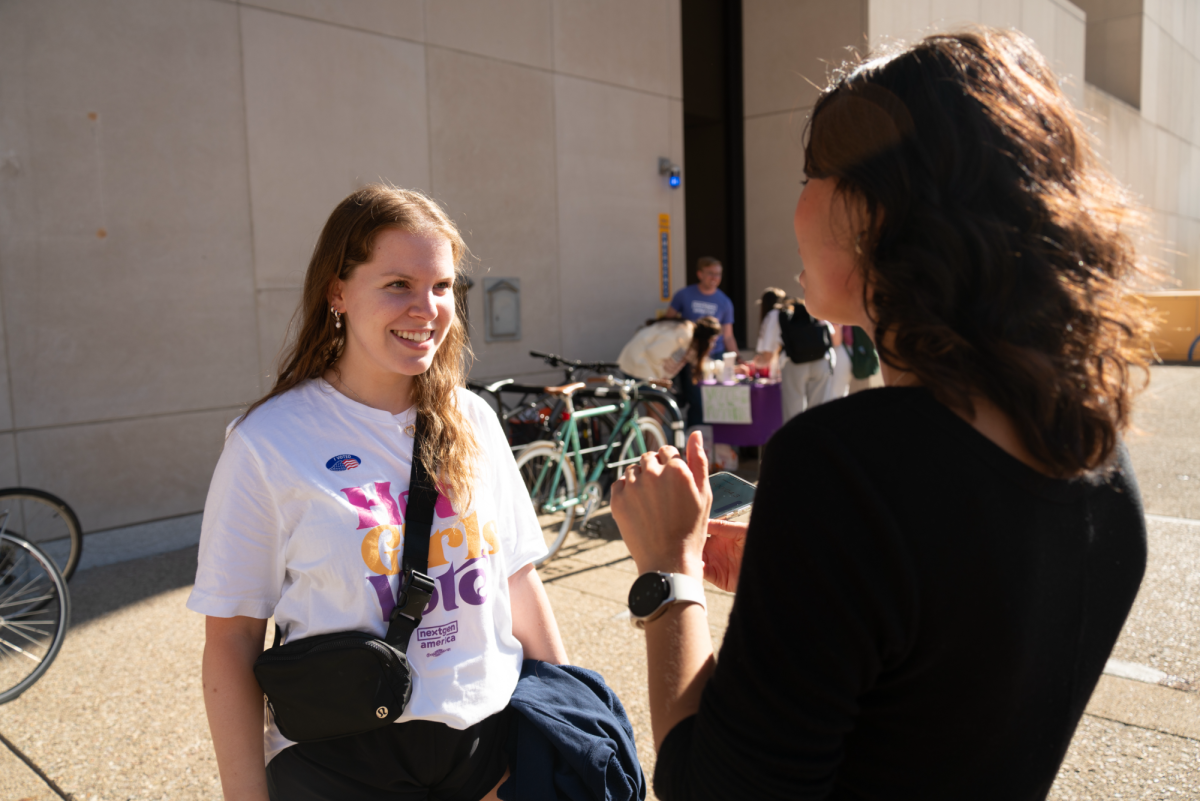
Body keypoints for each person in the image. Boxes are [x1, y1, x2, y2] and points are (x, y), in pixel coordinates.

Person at [610, 28, 1154, 800]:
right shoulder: (1096, 455)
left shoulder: (841, 466)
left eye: (811, 173)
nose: (795, 201)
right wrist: (806, 572)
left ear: (875, 209)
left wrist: (669, 569)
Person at [189, 185, 570, 801]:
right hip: (343, 756)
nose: (427, 308)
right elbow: (232, 639)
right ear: (337, 292)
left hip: (488, 749)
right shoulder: (268, 442)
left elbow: (519, 578)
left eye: (443, 287)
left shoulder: (473, 420)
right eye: (398, 284)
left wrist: (565, 718)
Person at [755, 295, 835, 420]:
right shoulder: (811, 309)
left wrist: (754, 364)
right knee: (819, 412)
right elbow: (831, 334)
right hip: (821, 361)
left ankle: (796, 439)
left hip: (794, 364)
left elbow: (767, 356)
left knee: (793, 413)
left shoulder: (776, 315)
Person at [665, 257, 738, 355]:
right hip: (687, 352)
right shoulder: (683, 294)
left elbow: (728, 336)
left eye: (718, 274)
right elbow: (667, 323)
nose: (714, 277)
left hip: (715, 353)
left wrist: (738, 357)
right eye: (710, 273)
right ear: (700, 274)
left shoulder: (725, 302)